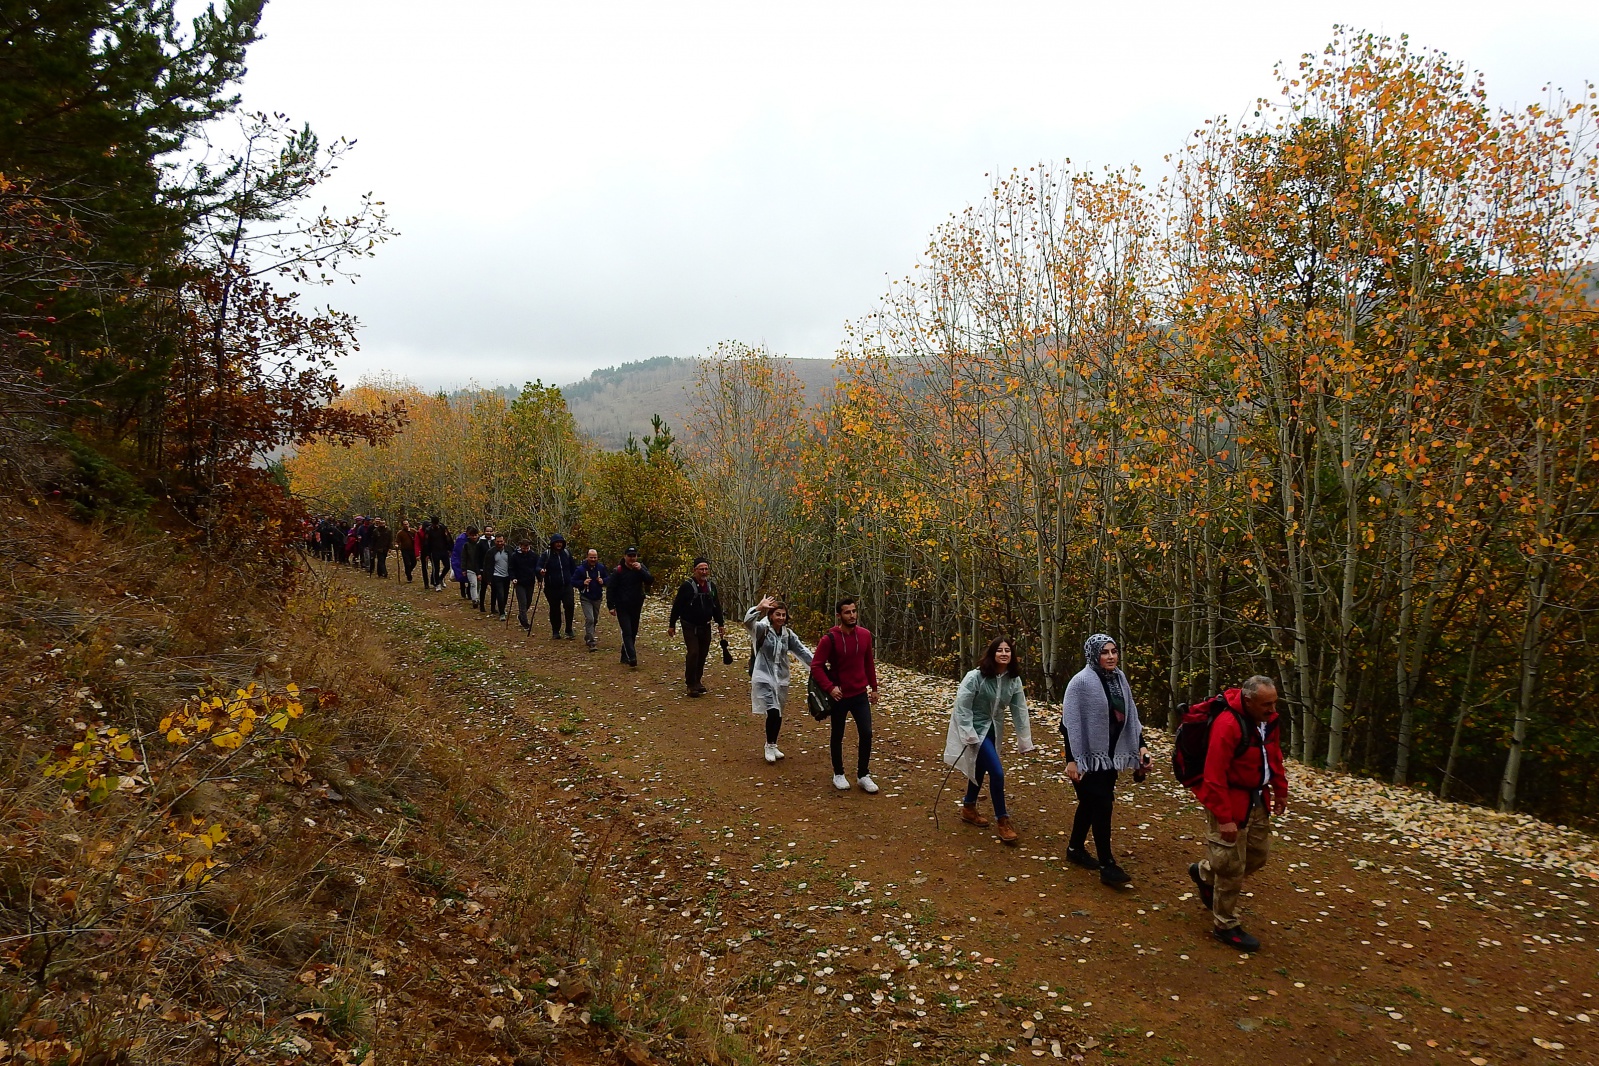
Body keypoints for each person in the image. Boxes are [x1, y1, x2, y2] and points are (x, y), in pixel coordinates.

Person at [1187, 675, 1288, 953]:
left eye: (1274, 702)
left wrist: (1280, 789)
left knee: (1257, 855)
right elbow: (1214, 774)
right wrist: (1224, 817)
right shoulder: (1228, 724)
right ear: (1248, 700)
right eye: (1265, 704)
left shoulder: (1269, 721)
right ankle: (1225, 925)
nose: (1271, 709)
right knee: (1231, 867)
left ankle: (1205, 874)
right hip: (1229, 801)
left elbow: (1273, 754)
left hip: (1258, 799)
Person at [1061, 634, 1150, 886]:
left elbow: (1131, 718)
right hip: (1087, 757)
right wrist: (1072, 760)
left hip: (1110, 756)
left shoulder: (1119, 679)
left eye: (1114, 651)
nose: (1111, 656)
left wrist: (1141, 747)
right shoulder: (1080, 683)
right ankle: (1107, 865)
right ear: (1093, 655)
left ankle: (1075, 849)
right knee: (1102, 804)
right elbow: (1068, 724)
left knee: (1091, 804)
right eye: (1105, 652)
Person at [943, 636, 1034, 845]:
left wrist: (1025, 740)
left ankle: (968, 807)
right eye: (1000, 650)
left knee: (980, 769)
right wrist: (968, 732)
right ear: (992, 653)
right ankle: (1002, 820)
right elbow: (962, 704)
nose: (1004, 654)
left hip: (994, 730)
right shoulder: (975, 677)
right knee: (996, 771)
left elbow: (1020, 710)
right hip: (975, 728)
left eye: (1008, 650)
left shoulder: (1013, 680)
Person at [810, 597, 880, 793]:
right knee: (837, 734)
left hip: (859, 694)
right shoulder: (829, 639)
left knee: (866, 733)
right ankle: (838, 773)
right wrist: (830, 687)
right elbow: (816, 665)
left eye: (854, 611)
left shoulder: (865, 635)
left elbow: (869, 663)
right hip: (839, 695)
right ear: (839, 615)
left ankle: (863, 774)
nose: (852, 615)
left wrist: (873, 688)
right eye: (847, 612)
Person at [743, 595, 813, 763]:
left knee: (778, 713)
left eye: (783, 615)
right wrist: (759, 607)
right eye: (777, 614)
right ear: (771, 616)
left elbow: (802, 652)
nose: (781, 618)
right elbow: (747, 623)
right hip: (763, 677)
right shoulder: (762, 629)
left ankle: (773, 744)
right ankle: (768, 745)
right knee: (773, 711)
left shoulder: (787, 635)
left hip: (781, 679)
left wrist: (819, 665)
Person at [668, 557, 726, 696]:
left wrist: (720, 623)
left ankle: (697, 681)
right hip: (689, 625)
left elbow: (716, 605)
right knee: (693, 652)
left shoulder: (711, 586)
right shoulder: (687, 586)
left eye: (706, 569)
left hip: (705, 625)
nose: (704, 572)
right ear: (695, 570)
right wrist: (672, 624)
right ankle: (690, 684)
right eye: (701, 569)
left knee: (703, 654)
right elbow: (677, 606)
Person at [607, 547, 652, 667]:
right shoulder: (618, 571)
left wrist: (641, 570)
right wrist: (611, 606)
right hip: (622, 606)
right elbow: (611, 589)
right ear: (625, 556)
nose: (632, 558)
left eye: (634, 555)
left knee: (633, 631)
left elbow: (650, 581)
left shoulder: (640, 568)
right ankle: (632, 657)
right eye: (630, 555)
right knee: (627, 631)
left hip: (636, 605)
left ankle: (624, 655)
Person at [536, 533, 577, 638]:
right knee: (555, 609)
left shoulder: (567, 553)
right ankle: (556, 631)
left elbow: (573, 568)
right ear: (552, 544)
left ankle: (569, 629)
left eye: (560, 542)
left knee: (569, 606)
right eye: (557, 542)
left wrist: (574, 580)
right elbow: (538, 566)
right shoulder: (547, 554)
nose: (559, 544)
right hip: (552, 587)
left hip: (567, 585)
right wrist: (541, 570)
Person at [572, 548, 608, 651]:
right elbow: (573, 581)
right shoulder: (581, 569)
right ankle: (591, 641)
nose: (593, 559)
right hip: (585, 597)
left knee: (595, 619)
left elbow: (609, 579)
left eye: (595, 557)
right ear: (587, 557)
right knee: (590, 618)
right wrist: (582, 583)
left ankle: (589, 635)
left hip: (597, 597)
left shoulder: (601, 568)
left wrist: (603, 581)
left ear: (597, 558)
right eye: (591, 557)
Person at [509, 537, 541, 632]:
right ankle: (525, 622)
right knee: (522, 602)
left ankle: (521, 616)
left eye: (527, 548)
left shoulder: (534, 555)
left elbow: (537, 568)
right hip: (519, 582)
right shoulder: (514, 556)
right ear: (520, 546)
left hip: (530, 582)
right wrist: (513, 578)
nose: (525, 550)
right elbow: (511, 568)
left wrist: (539, 579)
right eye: (524, 548)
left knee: (528, 601)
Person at [483, 533, 513, 620]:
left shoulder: (509, 549)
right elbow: (486, 565)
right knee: (500, 594)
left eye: (501, 541)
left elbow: (514, 561)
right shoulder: (491, 552)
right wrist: (487, 578)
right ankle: (502, 613)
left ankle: (502, 608)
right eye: (497, 541)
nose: (499, 543)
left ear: (504, 541)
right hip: (496, 576)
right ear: (495, 541)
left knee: (505, 594)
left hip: (507, 576)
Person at [427, 517, 452, 591]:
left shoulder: (443, 528)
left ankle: (441, 578)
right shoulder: (429, 530)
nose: (436, 525)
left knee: (447, 566)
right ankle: (437, 584)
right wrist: (428, 553)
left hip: (443, 550)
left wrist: (450, 549)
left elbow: (448, 538)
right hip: (434, 551)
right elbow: (427, 543)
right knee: (436, 568)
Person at [453, 526, 474, 601]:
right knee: (462, 575)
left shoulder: (472, 539)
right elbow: (459, 551)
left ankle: (469, 592)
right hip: (459, 559)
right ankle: (463, 591)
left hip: (469, 560)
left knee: (470, 577)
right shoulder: (461, 539)